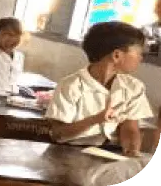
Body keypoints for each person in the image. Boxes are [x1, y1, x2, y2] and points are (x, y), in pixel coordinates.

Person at [46, 22, 154, 156]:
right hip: (68, 151)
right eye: (138, 53)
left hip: (109, 152)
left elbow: (130, 127)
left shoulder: (134, 87)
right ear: (116, 55)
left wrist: (132, 151)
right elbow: (58, 134)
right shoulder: (71, 85)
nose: (141, 58)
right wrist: (96, 119)